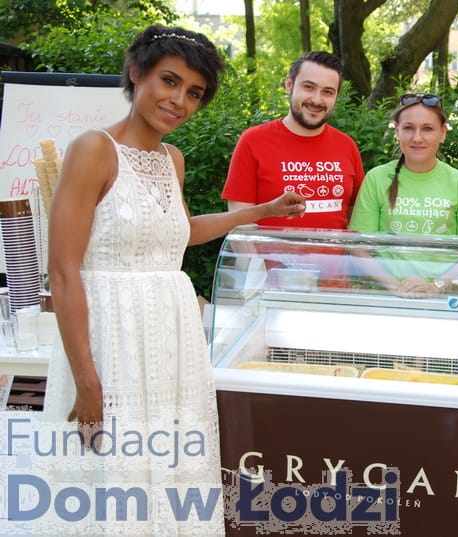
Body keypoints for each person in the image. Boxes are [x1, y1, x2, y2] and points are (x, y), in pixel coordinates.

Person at [41, 25, 305, 535]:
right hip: (110, 341)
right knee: (112, 473)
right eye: (169, 81)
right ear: (135, 73)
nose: (179, 100)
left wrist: (263, 209)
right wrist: (87, 381)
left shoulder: (172, 160)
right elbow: (63, 270)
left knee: (167, 467)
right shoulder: (93, 149)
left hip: (170, 341)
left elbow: (182, 233)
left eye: (194, 92)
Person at [348, 93, 458, 297]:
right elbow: (359, 249)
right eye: (409, 128)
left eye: (427, 129)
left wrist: (435, 286)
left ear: (442, 133)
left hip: (442, 299)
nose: (417, 138)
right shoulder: (376, 178)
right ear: (397, 131)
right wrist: (395, 286)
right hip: (386, 297)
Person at [222, 50, 364, 229]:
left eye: (328, 92)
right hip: (269, 249)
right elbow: (239, 220)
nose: (317, 100)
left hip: (336, 249)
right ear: (289, 85)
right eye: (309, 87)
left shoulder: (347, 146)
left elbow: (356, 214)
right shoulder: (253, 141)